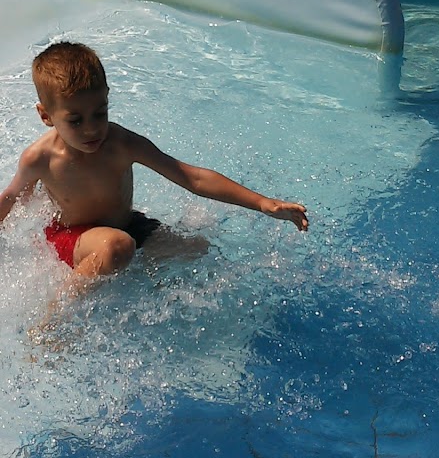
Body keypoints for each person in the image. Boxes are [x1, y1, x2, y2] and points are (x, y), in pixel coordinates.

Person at [0, 42, 308, 282]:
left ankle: (140, 284)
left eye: (100, 112)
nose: (92, 128)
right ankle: (57, 316)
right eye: (76, 120)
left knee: (196, 250)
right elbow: (12, 199)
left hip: (126, 226)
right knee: (116, 247)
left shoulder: (122, 144)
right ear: (46, 116)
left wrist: (263, 203)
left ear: (107, 97)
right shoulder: (39, 158)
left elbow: (193, 178)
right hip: (73, 239)